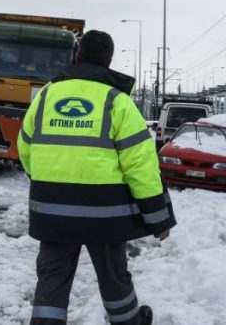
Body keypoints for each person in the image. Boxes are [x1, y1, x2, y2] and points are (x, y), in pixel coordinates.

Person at [17, 30, 176, 325]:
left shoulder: (46, 95)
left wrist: (49, 183)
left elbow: (25, 148)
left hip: (53, 211)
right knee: (114, 277)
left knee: (52, 278)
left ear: (77, 55)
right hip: (105, 214)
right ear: (109, 61)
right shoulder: (118, 102)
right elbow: (140, 166)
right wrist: (159, 219)